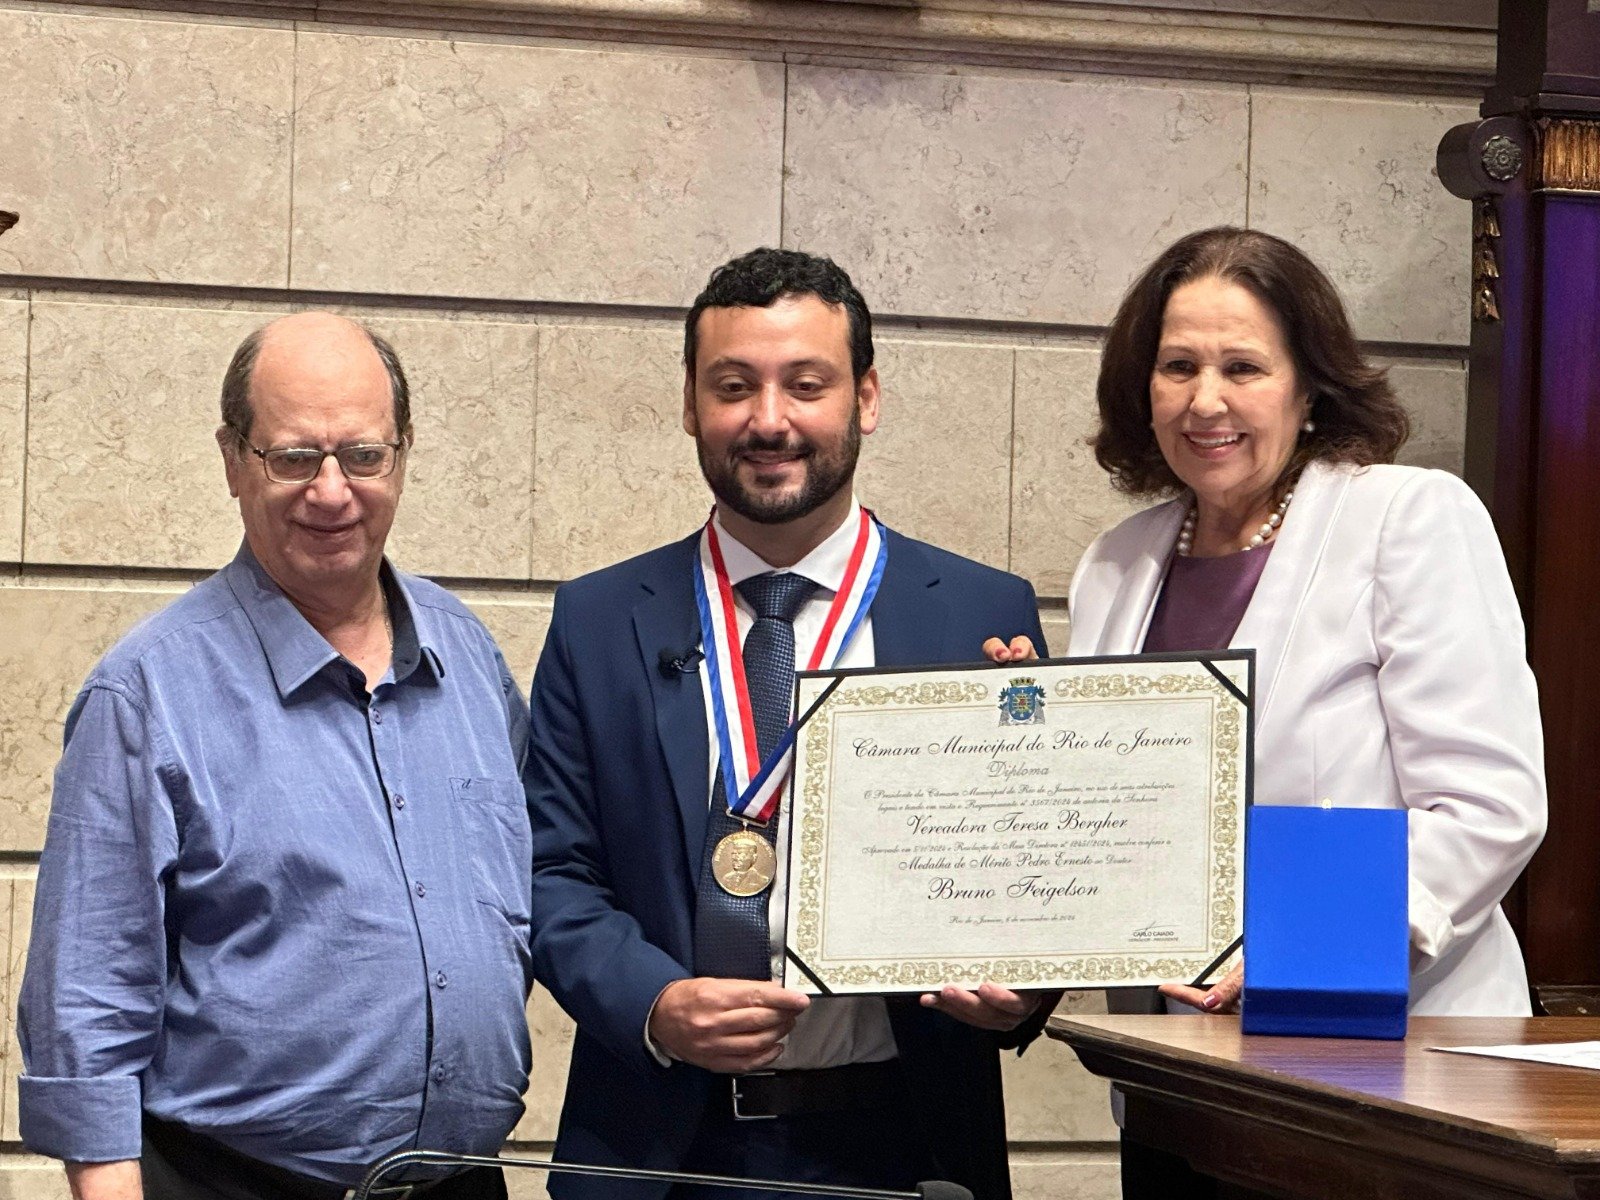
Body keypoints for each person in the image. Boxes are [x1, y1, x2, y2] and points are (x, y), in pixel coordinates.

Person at [526, 248, 1050, 1200]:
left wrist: (1022, 989)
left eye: (806, 384)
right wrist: (653, 1000)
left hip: (906, 1144)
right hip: (657, 1149)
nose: (769, 420)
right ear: (691, 403)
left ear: (867, 397)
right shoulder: (600, 619)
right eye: (734, 386)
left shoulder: (978, 612)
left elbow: (1038, 866)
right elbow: (550, 868)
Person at [1063, 226, 1546, 1196]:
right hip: (1181, 1092)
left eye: (1242, 366)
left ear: (1308, 384)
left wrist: (1299, 949)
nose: (1207, 400)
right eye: (1177, 366)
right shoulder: (1114, 564)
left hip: (1388, 1095)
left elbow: (1492, 807)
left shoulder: (1406, 518)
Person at [18, 313, 533, 1200]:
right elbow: (86, 1011)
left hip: (459, 1184)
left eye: (364, 455)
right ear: (233, 460)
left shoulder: (469, 657)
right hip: (234, 1182)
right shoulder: (146, 695)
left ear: (402, 455)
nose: (332, 492)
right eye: (294, 457)